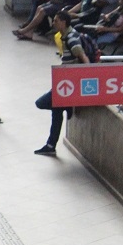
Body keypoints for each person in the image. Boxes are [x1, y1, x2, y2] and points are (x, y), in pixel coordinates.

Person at [34, 11, 89, 156]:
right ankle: (51, 144)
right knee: (56, 111)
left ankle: (66, 105)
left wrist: (85, 77)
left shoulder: (71, 39)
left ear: (64, 22)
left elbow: (83, 57)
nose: (53, 23)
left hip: (70, 83)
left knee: (41, 102)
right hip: (65, 82)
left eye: (56, 21)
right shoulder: (67, 36)